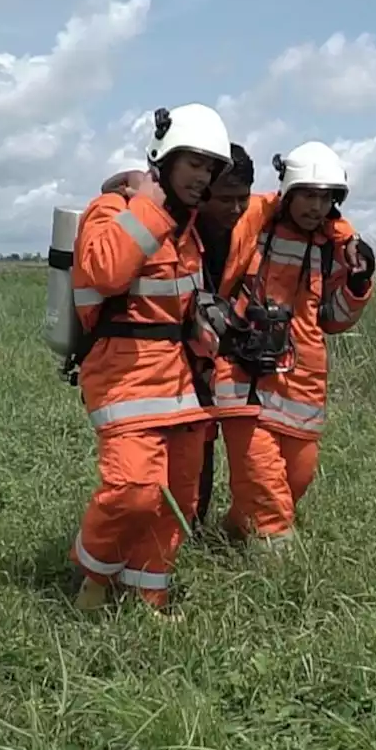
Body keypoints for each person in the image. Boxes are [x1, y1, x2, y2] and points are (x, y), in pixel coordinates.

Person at [68, 103, 232, 619]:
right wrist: (147, 203)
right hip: (123, 375)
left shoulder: (188, 230)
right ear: (166, 157)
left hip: (180, 382)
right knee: (134, 491)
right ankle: (93, 578)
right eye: (194, 164)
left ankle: (148, 600)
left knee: (173, 502)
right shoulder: (115, 210)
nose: (203, 177)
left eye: (210, 168)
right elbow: (104, 272)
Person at [216, 141, 376, 547]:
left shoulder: (334, 249)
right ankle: (278, 568)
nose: (315, 206)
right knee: (267, 493)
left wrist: (358, 284)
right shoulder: (254, 223)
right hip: (243, 375)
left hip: (300, 385)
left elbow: (333, 319)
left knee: (295, 480)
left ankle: (232, 532)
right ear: (288, 192)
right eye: (307, 194)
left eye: (325, 198)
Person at [104, 146, 255, 531]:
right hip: (162, 355)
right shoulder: (171, 219)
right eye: (224, 199)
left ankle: (187, 528)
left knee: (199, 440)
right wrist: (134, 182)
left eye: (243, 199)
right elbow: (116, 193)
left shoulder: (250, 220)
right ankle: (159, 529)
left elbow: (296, 200)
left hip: (209, 353)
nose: (235, 209)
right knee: (167, 449)